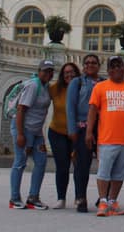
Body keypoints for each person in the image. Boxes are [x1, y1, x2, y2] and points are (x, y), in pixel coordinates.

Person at [87, 55, 124, 216]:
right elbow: (92, 110)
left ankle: (112, 202)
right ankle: (103, 202)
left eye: (119, 65)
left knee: (120, 173)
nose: (116, 69)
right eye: (112, 66)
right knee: (104, 172)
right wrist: (88, 132)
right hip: (107, 138)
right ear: (108, 71)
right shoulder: (100, 87)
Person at [9, 60, 55, 209]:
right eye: (45, 71)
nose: (48, 74)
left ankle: (33, 197)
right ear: (39, 71)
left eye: (51, 71)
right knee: (20, 162)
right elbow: (21, 110)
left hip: (36, 131)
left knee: (41, 162)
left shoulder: (46, 87)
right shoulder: (33, 85)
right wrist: (21, 135)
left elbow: (41, 112)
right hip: (23, 128)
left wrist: (39, 132)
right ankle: (14, 198)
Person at [67, 53, 103, 212]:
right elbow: (70, 106)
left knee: (106, 164)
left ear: (99, 66)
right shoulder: (77, 82)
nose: (90, 65)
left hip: (102, 128)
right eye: (87, 62)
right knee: (82, 165)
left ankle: (103, 196)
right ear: (83, 66)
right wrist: (72, 129)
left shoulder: (104, 82)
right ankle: (80, 197)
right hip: (82, 127)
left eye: (93, 63)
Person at [48, 62, 80, 209]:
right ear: (62, 75)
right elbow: (40, 98)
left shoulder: (82, 88)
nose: (69, 75)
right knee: (62, 166)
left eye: (72, 72)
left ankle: (80, 197)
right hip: (57, 132)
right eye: (66, 72)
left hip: (76, 133)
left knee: (79, 166)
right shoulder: (55, 88)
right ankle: (61, 198)